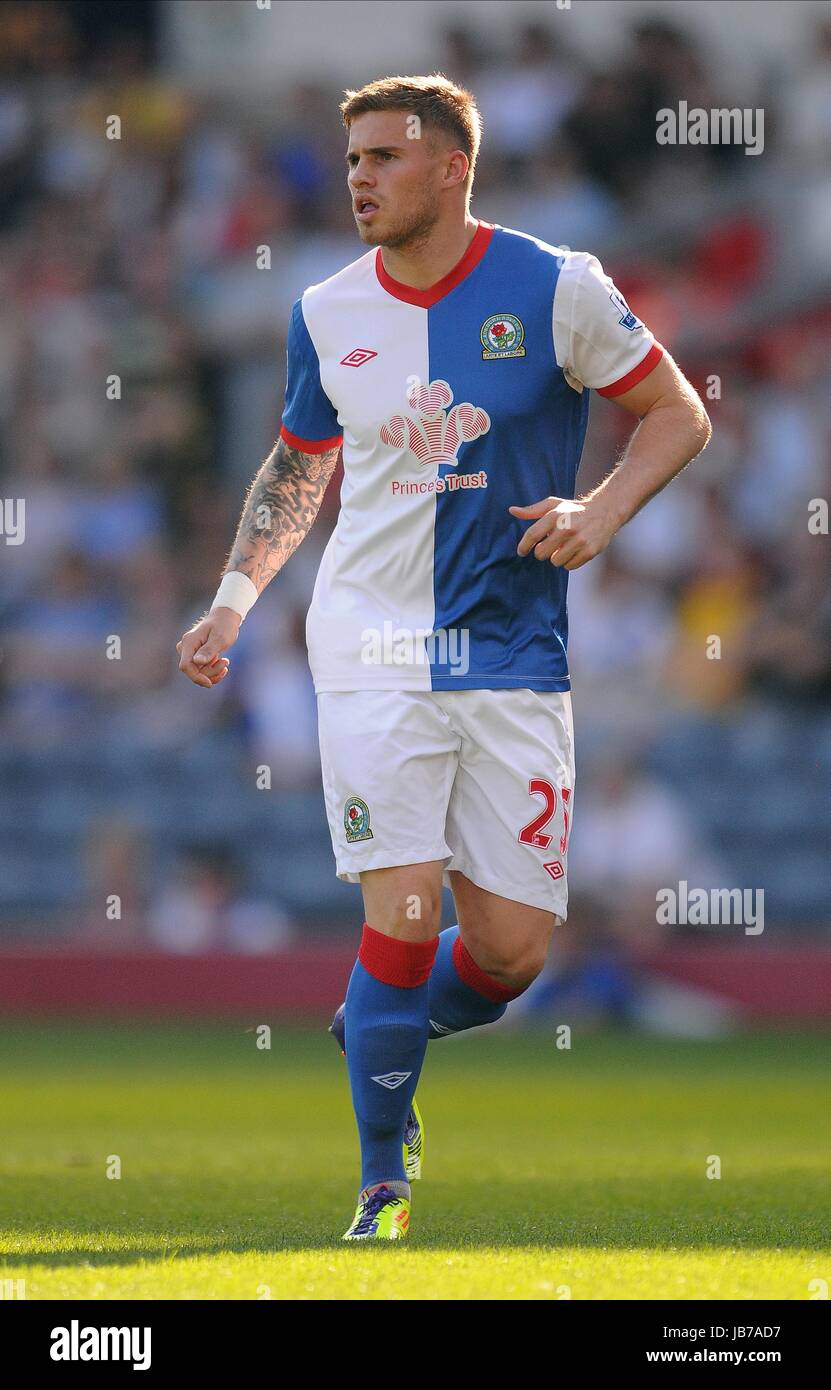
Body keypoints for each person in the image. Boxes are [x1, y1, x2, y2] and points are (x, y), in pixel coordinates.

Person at [177, 74, 711, 1242]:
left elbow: (678, 412)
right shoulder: (325, 308)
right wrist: (231, 601)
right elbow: (296, 467)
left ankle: (385, 1026)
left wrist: (602, 513)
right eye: (351, 158)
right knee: (404, 915)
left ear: (452, 166)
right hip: (370, 648)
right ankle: (383, 1179)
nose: (356, 177)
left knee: (514, 954)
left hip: (514, 652)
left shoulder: (559, 288)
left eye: (381, 157)